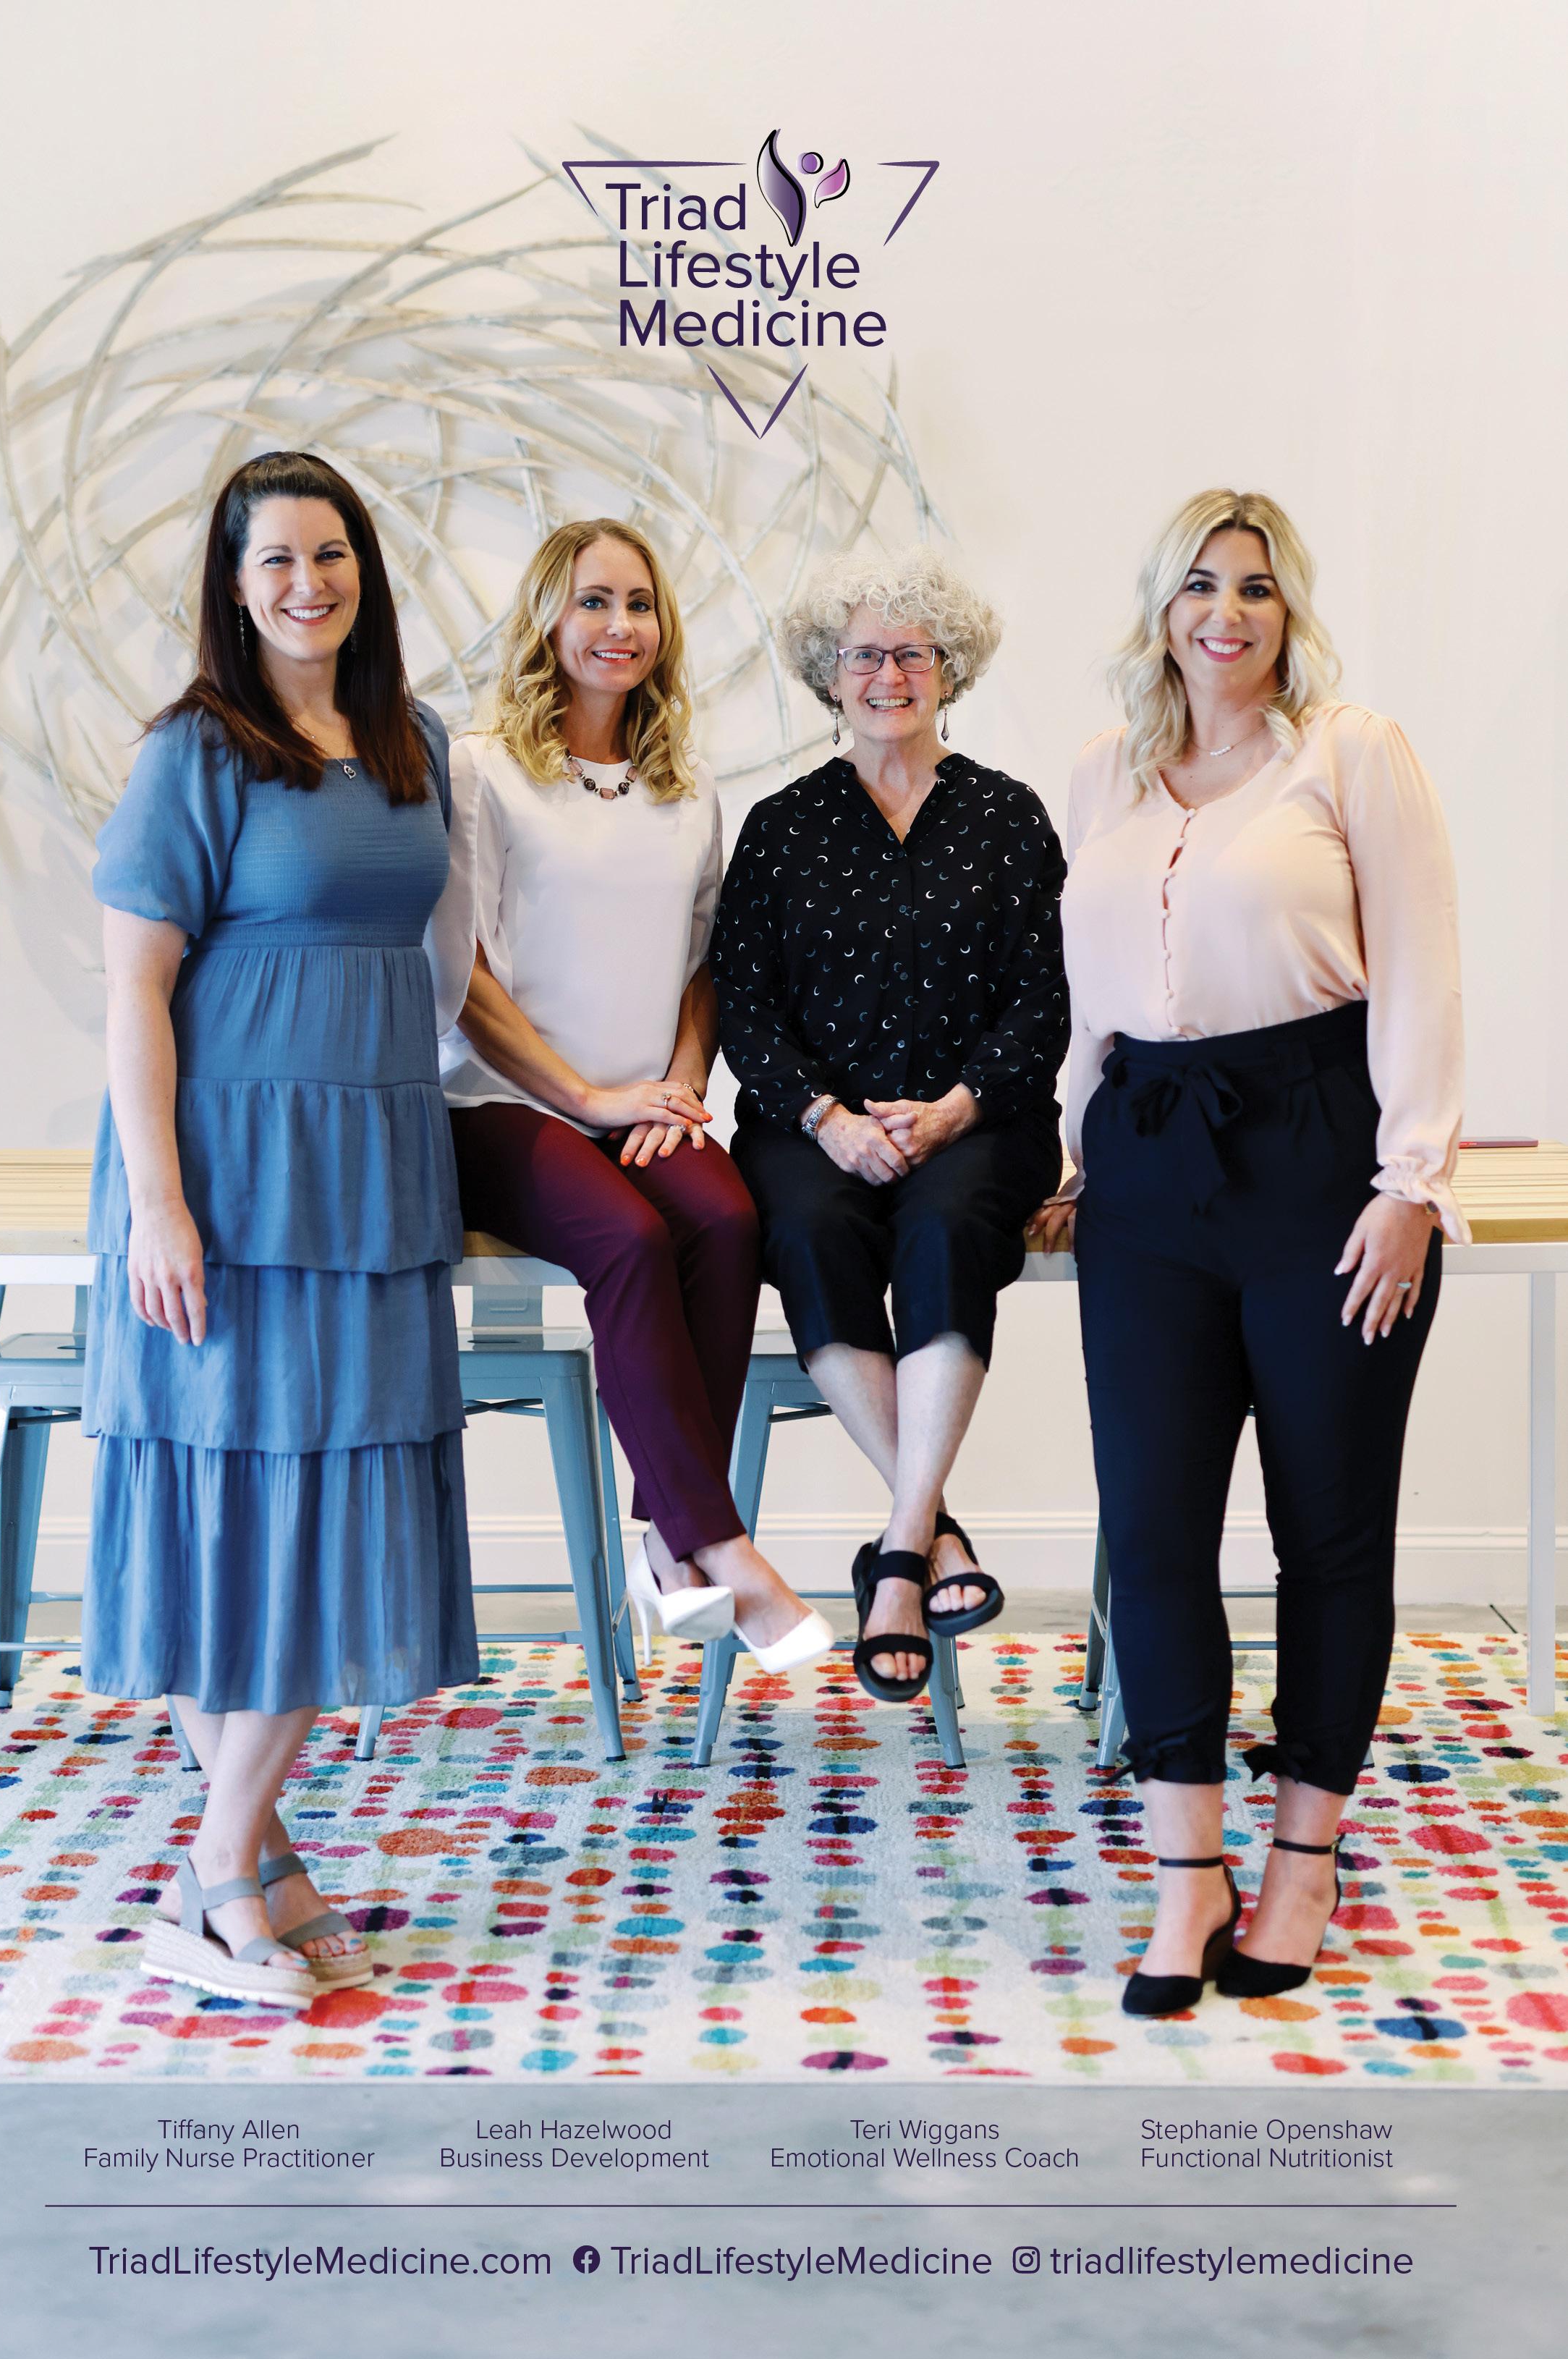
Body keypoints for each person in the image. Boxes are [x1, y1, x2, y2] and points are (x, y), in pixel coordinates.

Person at [1034, 488, 1467, 2015]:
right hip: (1146, 1165)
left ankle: (1302, 1857)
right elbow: (1087, 992)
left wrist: (1409, 1179)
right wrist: (1071, 1146)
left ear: (1290, 612)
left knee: (1326, 1532)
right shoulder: (1102, 773)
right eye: (1200, 585)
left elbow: (1421, 963)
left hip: (1319, 1155)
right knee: (1152, 1527)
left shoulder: (1347, 751)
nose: (1226, 613)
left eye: (1257, 588)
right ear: (1159, 609)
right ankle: (1186, 1874)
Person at [84, 450, 478, 2005]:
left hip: (371, 1169)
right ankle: (218, 1875)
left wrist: (588, 1093)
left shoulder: (412, 741)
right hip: (227, 1180)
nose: (308, 584)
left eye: (331, 555)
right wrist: (160, 1205)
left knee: (335, 1508)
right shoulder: (194, 751)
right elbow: (134, 990)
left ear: (363, 570)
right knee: (242, 1516)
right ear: (234, 589)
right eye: (276, 562)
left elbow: (451, 970)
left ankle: (247, 1861)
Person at [424, 519, 831, 1674]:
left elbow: (708, 965)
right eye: (593, 601)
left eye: (639, 604)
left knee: (728, 1220)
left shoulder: (685, 788)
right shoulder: (481, 770)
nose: (620, 626)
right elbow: (464, 977)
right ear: (547, 619)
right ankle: (720, 1544)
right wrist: (586, 1097)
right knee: (629, 1238)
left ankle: (666, 1541)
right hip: (500, 1105)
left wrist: (685, 1083)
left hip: (644, 1101)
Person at [713, 548, 1069, 1705]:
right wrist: (827, 1120)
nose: (889, 675)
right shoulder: (780, 827)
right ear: (830, 674)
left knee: (950, 1227)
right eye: (864, 654)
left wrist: (956, 1109)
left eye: (913, 654)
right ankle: (931, 1539)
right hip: (811, 1127)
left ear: (949, 671)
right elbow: (743, 1006)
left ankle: (899, 1551)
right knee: (812, 1230)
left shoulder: (1010, 817)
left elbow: (1046, 999)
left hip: (980, 1120)